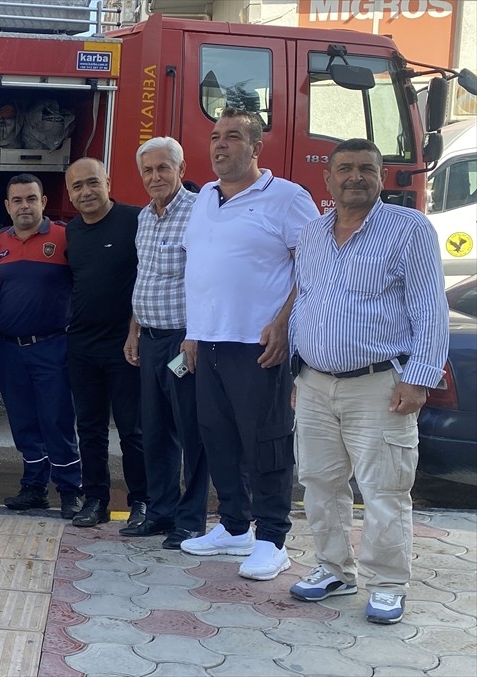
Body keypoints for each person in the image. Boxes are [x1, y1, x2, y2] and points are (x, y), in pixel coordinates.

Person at [288, 138, 448, 624]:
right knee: (319, 482)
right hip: (315, 384)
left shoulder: (408, 229)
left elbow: (430, 309)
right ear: (327, 178)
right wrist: (299, 372)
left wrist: (418, 379)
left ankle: (388, 583)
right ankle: (334, 569)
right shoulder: (313, 234)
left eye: (365, 169)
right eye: (345, 169)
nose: (354, 176)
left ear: (381, 177)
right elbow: (307, 302)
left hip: (379, 384)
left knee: (384, 489)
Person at [178, 108, 320, 581]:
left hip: (257, 344)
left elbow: (314, 268)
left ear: (257, 147)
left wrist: (284, 323)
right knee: (218, 438)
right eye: (215, 136)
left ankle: (272, 539)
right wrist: (194, 334)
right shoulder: (204, 199)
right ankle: (234, 527)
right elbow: (201, 272)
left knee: (266, 444)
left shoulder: (287, 197)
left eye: (233, 137)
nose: (220, 145)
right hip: (210, 342)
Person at [122, 137, 210, 549]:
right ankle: (160, 513)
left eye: (163, 168)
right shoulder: (144, 217)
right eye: (147, 170)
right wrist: (134, 330)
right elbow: (145, 278)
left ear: (180, 168)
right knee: (154, 432)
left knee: (191, 431)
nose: (155, 177)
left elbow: (207, 281)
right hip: (151, 338)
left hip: (183, 341)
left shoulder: (199, 213)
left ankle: (190, 521)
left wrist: (194, 338)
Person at [64, 157, 149, 528]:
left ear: (108, 183)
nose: (86, 192)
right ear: (69, 193)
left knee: (132, 430)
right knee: (90, 428)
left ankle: (142, 502)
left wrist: (136, 331)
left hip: (125, 345)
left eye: (92, 183)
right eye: (77, 187)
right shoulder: (71, 232)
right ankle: (95, 500)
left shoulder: (135, 220)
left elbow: (148, 276)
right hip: (82, 346)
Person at [0, 174, 82, 518]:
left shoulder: (63, 237)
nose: (24, 205)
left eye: (31, 198)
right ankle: (34, 486)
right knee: (23, 422)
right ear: (7, 206)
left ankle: (71, 489)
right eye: (17, 200)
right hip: (11, 349)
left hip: (52, 347)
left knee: (57, 420)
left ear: (43, 202)